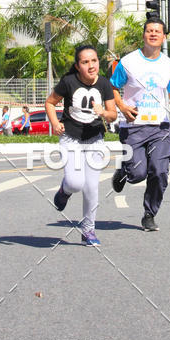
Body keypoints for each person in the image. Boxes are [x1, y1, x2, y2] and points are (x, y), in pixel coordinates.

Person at [110, 19, 170, 232]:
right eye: (149, 30)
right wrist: (123, 107)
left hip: (160, 127)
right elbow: (112, 87)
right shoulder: (128, 62)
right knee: (138, 174)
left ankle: (149, 214)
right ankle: (124, 170)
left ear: (163, 37)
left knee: (159, 172)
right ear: (143, 35)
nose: (153, 34)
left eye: (157, 31)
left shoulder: (169, 65)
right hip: (133, 126)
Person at [46, 43, 117, 245]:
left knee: (91, 187)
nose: (91, 65)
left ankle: (88, 231)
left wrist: (103, 112)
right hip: (71, 139)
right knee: (76, 183)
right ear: (78, 66)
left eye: (94, 60)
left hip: (95, 138)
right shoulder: (68, 82)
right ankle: (64, 191)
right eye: (85, 62)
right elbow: (50, 102)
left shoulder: (104, 84)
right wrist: (54, 123)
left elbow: (112, 114)